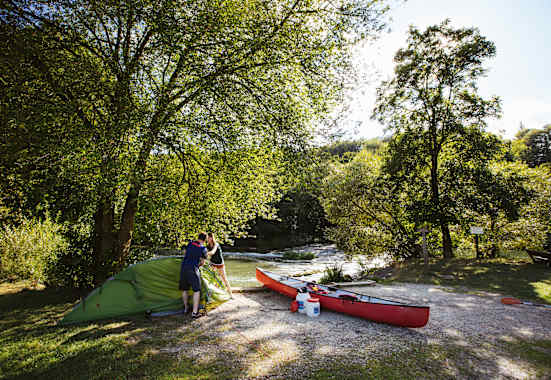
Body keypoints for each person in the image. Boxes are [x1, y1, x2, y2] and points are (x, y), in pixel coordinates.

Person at [179, 232, 208, 318]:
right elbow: (202, 262)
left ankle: (186, 308)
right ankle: (194, 313)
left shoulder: (190, 243)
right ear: (204, 240)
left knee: (185, 289)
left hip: (183, 268)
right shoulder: (203, 248)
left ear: (198, 237)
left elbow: (185, 252)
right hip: (193, 269)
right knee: (197, 290)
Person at [206, 232, 233, 298]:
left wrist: (204, 253)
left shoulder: (216, 244)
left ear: (211, 238)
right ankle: (214, 295)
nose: (207, 239)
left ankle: (231, 295)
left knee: (224, 279)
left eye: (208, 237)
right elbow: (207, 255)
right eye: (207, 237)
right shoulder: (207, 246)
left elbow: (213, 252)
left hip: (220, 263)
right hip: (212, 263)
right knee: (212, 279)